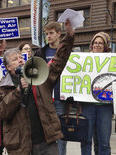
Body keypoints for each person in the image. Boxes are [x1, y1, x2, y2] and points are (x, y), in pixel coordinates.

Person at [0, 19, 74, 155]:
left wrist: (69, 37)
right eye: (15, 59)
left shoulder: (39, 75)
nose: (20, 60)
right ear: (7, 67)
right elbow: (1, 112)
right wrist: (18, 91)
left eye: (21, 57)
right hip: (21, 146)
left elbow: (58, 61)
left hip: (45, 142)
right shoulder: (4, 86)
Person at [34, 21, 68, 155]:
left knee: (60, 133)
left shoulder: (66, 51)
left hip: (61, 97)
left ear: (59, 34)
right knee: (46, 132)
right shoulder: (40, 52)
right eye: (47, 34)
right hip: (45, 98)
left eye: (51, 33)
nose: (48, 36)